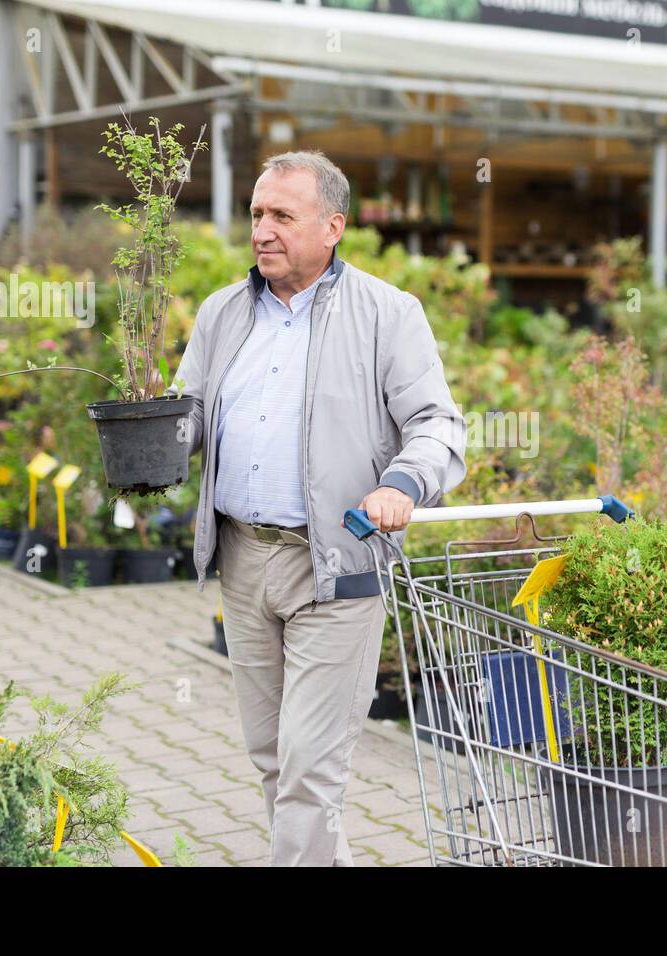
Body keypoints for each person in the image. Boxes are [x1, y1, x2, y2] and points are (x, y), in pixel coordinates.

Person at [169, 149, 466, 865]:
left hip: (334, 568)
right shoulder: (222, 314)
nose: (262, 231)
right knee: (273, 757)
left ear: (332, 226)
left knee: (310, 771)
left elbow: (438, 425)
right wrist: (153, 440)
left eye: (281, 216)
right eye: (256, 215)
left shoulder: (388, 316)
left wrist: (403, 482)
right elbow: (192, 415)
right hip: (242, 561)